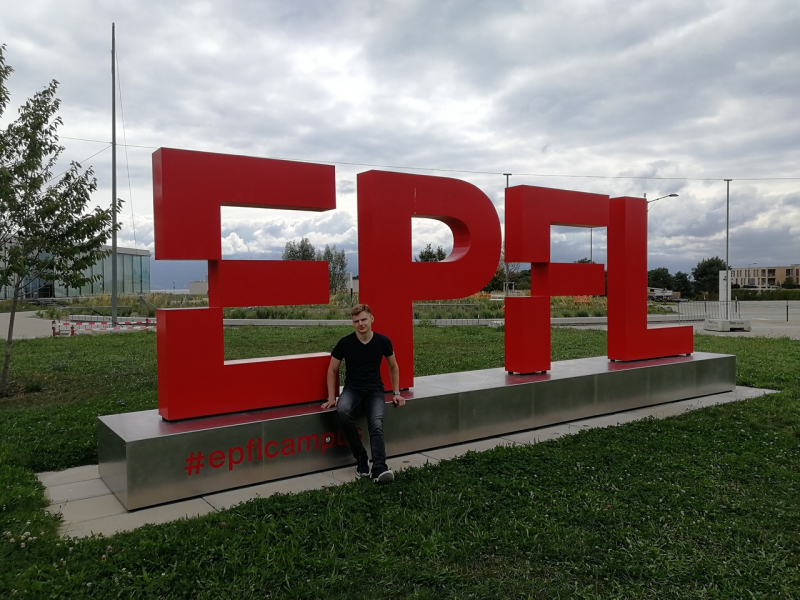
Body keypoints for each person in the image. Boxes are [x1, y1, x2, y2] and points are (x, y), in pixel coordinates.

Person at [321, 304, 405, 483]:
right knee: (342, 410)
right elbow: (332, 369)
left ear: (372, 319)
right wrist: (331, 397)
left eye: (364, 319)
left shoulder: (383, 341)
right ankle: (361, 458)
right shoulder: (345, 343)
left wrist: (396, 392)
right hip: (352, 389)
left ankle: (380, 467)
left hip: (375, 390)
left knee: (376, 424)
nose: (360, 324)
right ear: (353, 323)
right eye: (356, 321)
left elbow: (393, 366)